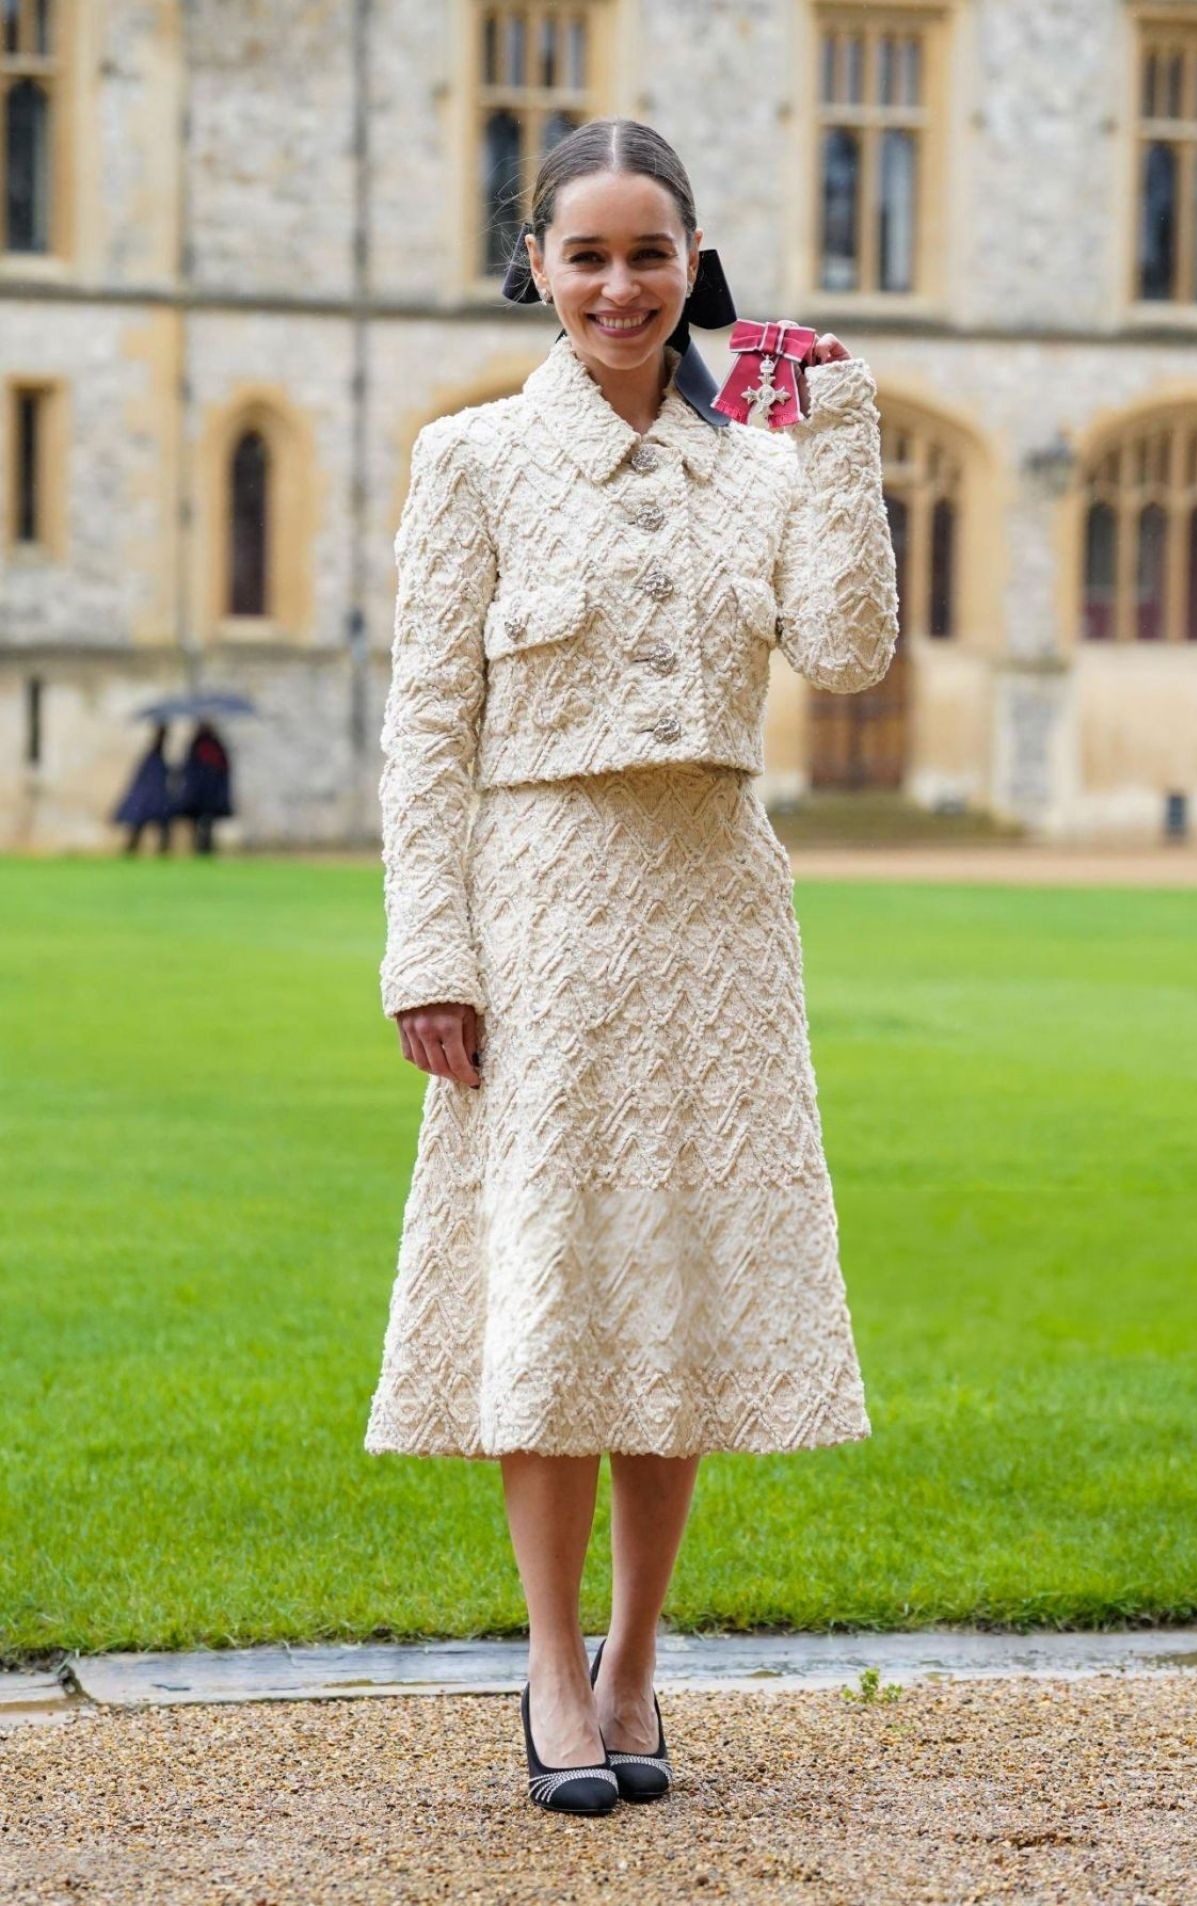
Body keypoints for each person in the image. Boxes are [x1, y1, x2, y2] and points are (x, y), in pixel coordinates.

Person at [363, 117, 900, 1815]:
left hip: (717, 921)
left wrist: (842, 435)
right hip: (539, 918)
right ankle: (546, 1660)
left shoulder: (755, 457)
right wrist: (428, 950)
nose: (619, 286)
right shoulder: (468, 463)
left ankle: (641, 1655)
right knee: (553, 1286)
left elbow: (847, 653)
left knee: (680, 1294)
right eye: (585, 255)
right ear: (536, 264)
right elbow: (425, 733)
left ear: (694, 262)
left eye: (648, 254)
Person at [111, 723, 174, 855]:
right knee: (144, 827)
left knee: (155, 828)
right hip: (150, 797)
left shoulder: (156, 755)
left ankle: (159, 851)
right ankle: (134, 851)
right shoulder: (153, 756)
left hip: (152, 797)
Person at [174, 720, 233, 855]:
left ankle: (205, 848)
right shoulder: (197, 745)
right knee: (198, 823)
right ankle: (199, 848)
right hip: (198, 792)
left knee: (207, 824)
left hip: (208, 792)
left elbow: (223, 767)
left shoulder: (213, 745)